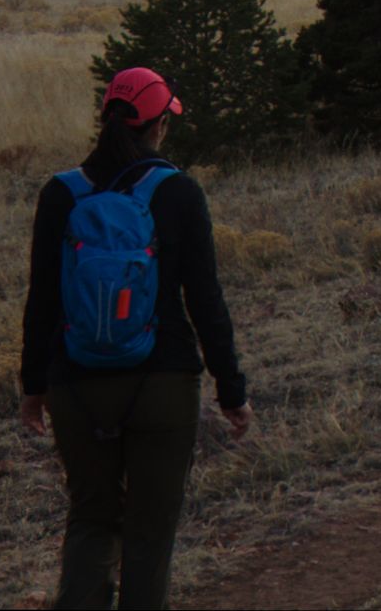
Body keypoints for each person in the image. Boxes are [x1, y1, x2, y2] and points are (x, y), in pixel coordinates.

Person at [20, 67, 254, 610]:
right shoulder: (178, 192)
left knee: (91, 522)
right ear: (159, 127)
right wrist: (231, 388)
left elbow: (43, 301)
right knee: (149, 534)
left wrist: (34, 386)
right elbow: (206, 302)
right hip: (163, 382)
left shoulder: (60, 193)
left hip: (75, 384)